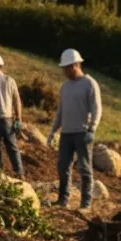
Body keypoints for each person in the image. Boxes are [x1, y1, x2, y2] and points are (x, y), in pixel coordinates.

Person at [47, 48, 102, 211]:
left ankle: (85, 203)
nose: (64, 71)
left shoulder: (89, 84)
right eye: (63, 68)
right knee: (63, 166)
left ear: (76, 65)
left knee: (84, 168)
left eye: (66, 67)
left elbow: (96, 108)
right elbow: (61, 112)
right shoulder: (65, 87)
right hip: (66, 134)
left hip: (82, 133)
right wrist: (52, 131)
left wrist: (92, 129)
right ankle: (63, 200)